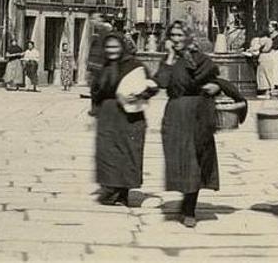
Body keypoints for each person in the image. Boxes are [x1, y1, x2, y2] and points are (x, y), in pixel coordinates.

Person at [154, 22, 221, 228]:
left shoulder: (200, 59)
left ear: (188, 37)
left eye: (180, 35)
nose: (176, 39)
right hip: (175, 113)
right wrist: (171, 58)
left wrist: (216, 87)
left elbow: (218, 80)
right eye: (172, 35)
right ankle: (187, 197)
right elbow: (162, 83)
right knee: (178, 159)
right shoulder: (168, 60)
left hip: (198, 112)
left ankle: (190, 207)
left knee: (194, 159)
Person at [92, 32, 155, 207]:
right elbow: (95, 91)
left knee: (127, 153)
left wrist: (140, 94)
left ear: (122, 47)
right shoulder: (102, 66)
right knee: (108, 154)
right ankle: (111, 191)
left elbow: (152, 85)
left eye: (115, 46)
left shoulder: (135, 65)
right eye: (108, 47)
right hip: (107, 115)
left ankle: (122, 193)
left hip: (130, 117)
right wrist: (95, 110)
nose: (111, 50)